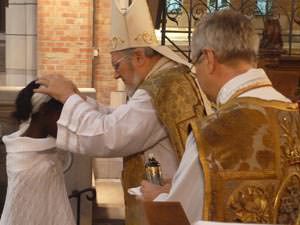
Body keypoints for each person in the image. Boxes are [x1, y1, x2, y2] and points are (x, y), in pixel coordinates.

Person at [34, 0, 211, 224]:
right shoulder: (167, 78)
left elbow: (109, 135)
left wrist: (69, 98)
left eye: (116, 65)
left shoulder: (159, 90)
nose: (116, 75)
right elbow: (121, 117)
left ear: (138, 57)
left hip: (166, 201)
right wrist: (78, 100)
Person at [141, 9, 300, 225]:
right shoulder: (294, 115)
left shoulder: (211, 134)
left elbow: (180, 217)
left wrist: (156, 198)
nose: (195, 73)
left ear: (209, 58)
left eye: (195, 62)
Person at [0, 81, 75, 225]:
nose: (67, 122)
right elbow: (17, 215)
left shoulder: (48, 149)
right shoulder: (23, 162)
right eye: (63, 115)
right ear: (44, 110)